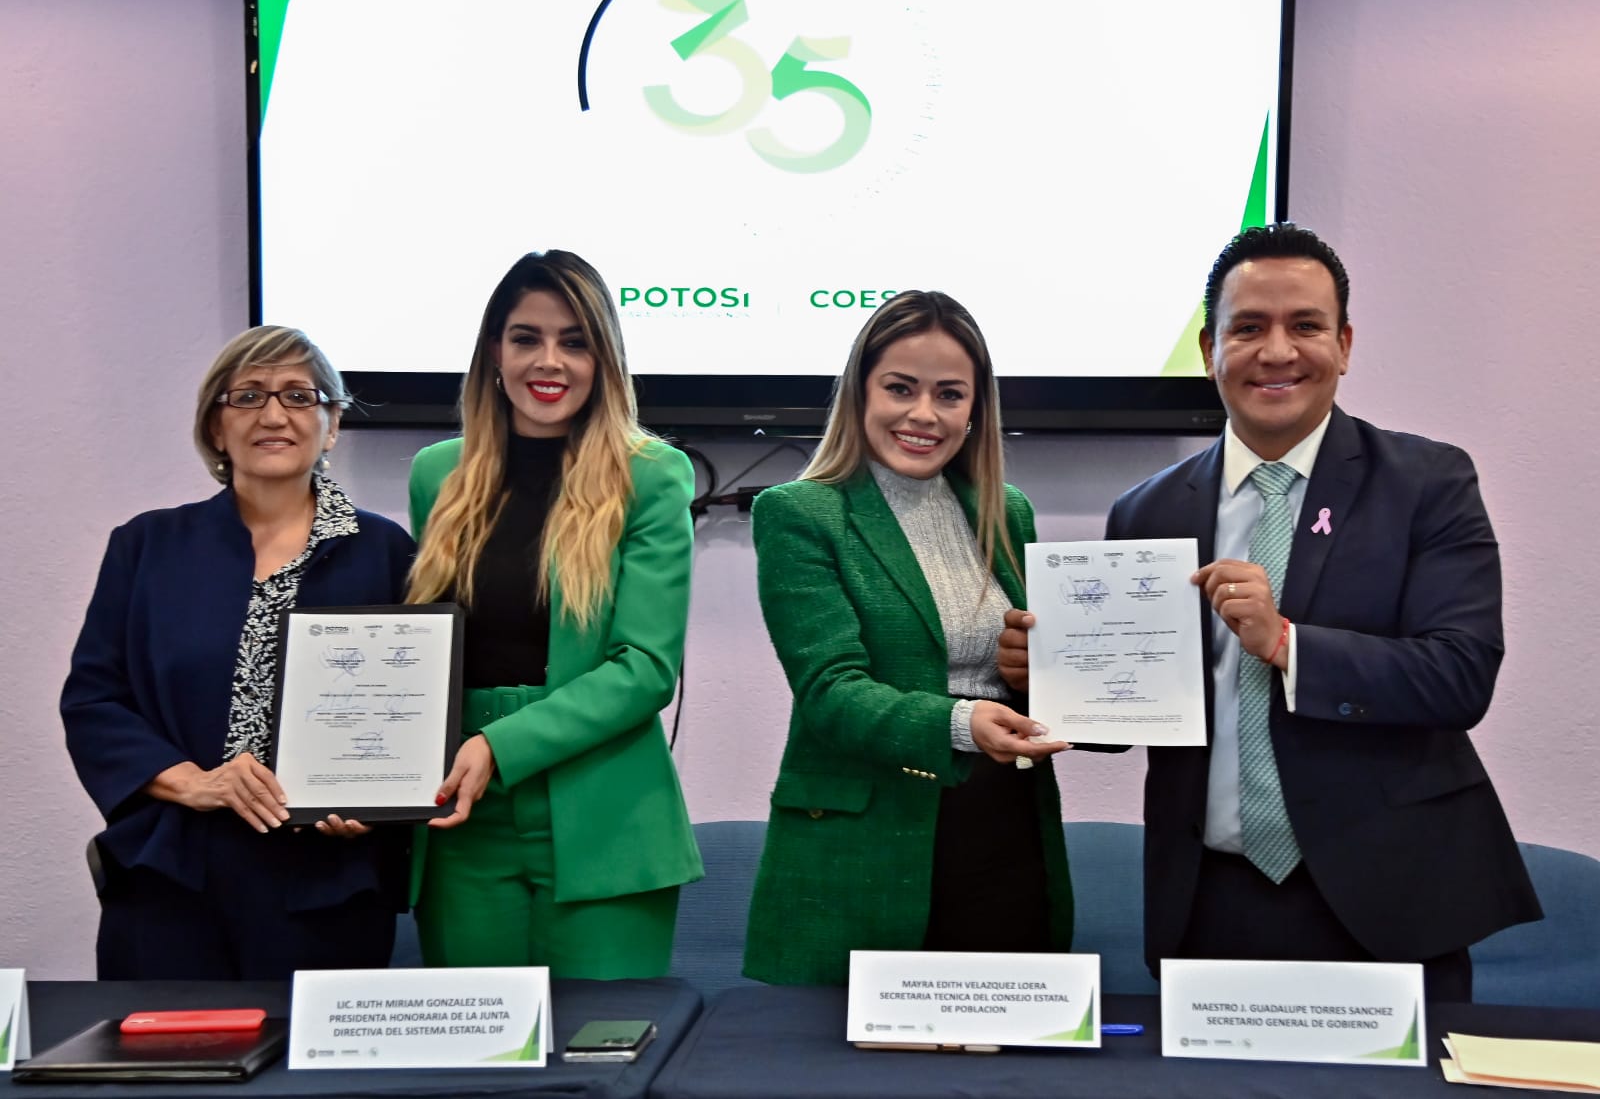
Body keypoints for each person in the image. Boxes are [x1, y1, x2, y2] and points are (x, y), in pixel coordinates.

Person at [1000, 223, 1541, 1000]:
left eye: (1306, 326)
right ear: (1208, 349)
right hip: (1209, 900)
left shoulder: (1428, 480)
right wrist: (1046, 679)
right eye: (1248, 328)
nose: (1277, 351)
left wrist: (1287, 641)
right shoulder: (1146, 509)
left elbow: (1460, 677)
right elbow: (1135, 715)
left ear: (1345, 343)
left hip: (1390, 897)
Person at [743, 290, 1075, 986]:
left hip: (1005, 830)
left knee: (1004, 1066)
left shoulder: (1007, 512)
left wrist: (1034, 672)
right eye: (900, 387)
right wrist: (963, 720)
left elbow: (1041, 674)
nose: (924, 414)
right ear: (860, 391)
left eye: (949, 394)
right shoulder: (800, 514)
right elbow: (830, 692)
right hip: (866, 845)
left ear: (975, 409)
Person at [61, 326, 414, 979]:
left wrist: (373, 801)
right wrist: (193, 781)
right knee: (163, 1073)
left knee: (308, 1082)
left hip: (326, 885)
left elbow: (415, 708)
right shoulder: (146, 546)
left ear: (332, 424)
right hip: (170, 876)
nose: (273, 414)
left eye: (298, 395)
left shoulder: (391, 552)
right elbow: (93, 701)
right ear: (216, 429)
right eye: (247, 395)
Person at [406, 249, 701, 977]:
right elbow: (422, 647)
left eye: (575, 341)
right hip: (461, 815)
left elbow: (645, 668)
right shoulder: (436, 475)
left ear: (604, 359)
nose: (550, 360)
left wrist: (501, 744)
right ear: (493, 353)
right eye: (526, 337)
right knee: (475, 1064)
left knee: (605, 1065)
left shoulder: (652, 476)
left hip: (603, 811)